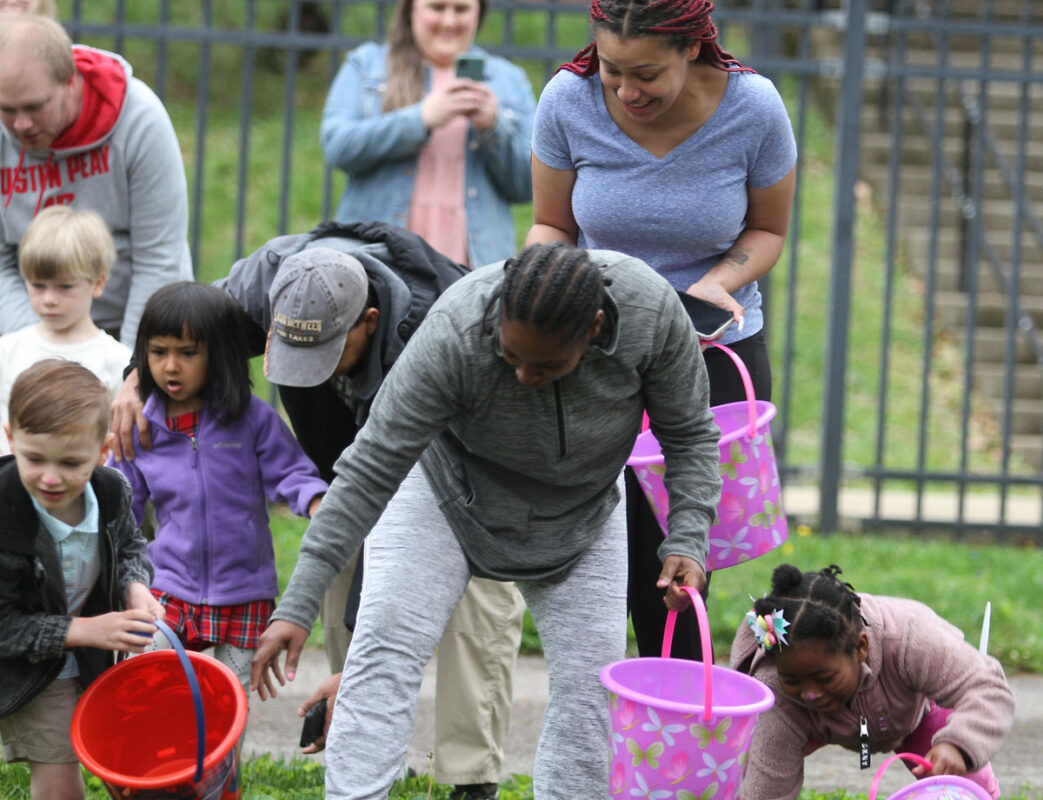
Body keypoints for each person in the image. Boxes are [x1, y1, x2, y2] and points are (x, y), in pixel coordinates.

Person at [250, 242, 723, 799]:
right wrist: (299, 605)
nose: (523, 374)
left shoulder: (650, 314)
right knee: (383, 654)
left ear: (593, 328)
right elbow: (368, 469)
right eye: (510, 356)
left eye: (545, 365)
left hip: (583, 507)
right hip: (447, 489)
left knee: (591, 689)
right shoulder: (455, 329)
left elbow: (690, 435)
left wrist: (688, 537)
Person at [108, 221, 527, 799]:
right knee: (336, 586)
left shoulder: (435, 330)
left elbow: (398, 509)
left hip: (459, 468)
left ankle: (470, 777)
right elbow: (180, 324)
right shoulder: (260, 285)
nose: (313, 370)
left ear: (369, 324)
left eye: (328, 353)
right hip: (339, 476)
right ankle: (360, 747)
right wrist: (133, 379)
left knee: (476, 605)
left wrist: (370, 625)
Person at [526, 0, 797, 660]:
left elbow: (767, 229)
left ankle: (669, 732)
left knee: (676, 569)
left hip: (712, 356)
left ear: (690, 48)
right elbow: (552, 227)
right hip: (597, 357)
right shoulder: (569, 99)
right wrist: (541, 289)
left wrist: (718, 282)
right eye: (612, 69)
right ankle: (597, 730)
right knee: (599, 555)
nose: (624, 89)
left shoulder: (753, 108)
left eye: (644, 72)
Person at [109, 282, 328, 694]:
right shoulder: (140, 429)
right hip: (169, 587)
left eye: (187, 353)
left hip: (246, 591)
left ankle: (222, 763)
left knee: (230, 698)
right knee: (147, 681)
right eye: (158, 352)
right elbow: (119, 508)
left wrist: (315, 500)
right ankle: (160, 758)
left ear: (219, 353)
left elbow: (291, 472)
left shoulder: (252, 419)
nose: (171, 366)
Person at [0, 359, 162, 800]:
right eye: (34, 459)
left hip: (99, 660)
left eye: (71, 462)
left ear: (103, 450)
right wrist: (86, 630)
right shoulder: (6, 513)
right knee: (58, 783)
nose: (51, 478)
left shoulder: (112, 492)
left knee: (136, 770)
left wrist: (135, 586)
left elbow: (130, 546)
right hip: (32, 670)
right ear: (12, 439)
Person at [730, 564, 1014, 800]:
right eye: (793, 679)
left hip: (914, 713)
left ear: (860, 648)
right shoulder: (779, 693)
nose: (810, 693)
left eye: (824, 678)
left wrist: (959, 745)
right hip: (814, 725)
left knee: (967, 786)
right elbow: (766, 792)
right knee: (753, 765)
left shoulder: (910, 640)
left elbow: (987, 686)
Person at [0, 14, 191, 345]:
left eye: (34, 107)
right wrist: (41, 350)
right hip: (28, 330)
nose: (20, 125)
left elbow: (159, 260)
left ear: (70, 82)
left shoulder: (139, 120)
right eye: (7, 109)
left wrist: (131, 369)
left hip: (134, 326)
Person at [320, 0, 535, 270]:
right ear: (411, 10)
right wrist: (420, 119)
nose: (448, 21)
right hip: (378, 264)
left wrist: (492, 127)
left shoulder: (510, 81)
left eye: (461, 9)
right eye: (437, 7)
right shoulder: (366, 65)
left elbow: (529, 185)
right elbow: (337, 146)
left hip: (472, 271)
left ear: (478, 13)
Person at [0, 206, 130, 456]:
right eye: (38, 285)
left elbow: (117, 448)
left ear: (98, 283)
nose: (49, 299)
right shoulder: (7, 350)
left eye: (64, 287)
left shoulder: (117, 360)